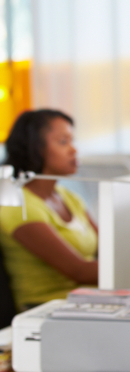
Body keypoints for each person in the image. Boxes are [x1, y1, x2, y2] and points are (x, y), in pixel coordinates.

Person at [0, 110, 98, 311]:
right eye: (63, 142)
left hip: (88, 302)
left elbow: (108, 250)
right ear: (36, 148)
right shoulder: (19, 206)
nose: (74, 150)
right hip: (46, 310)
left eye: (72, 141)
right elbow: (79, 271)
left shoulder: (69, 197)